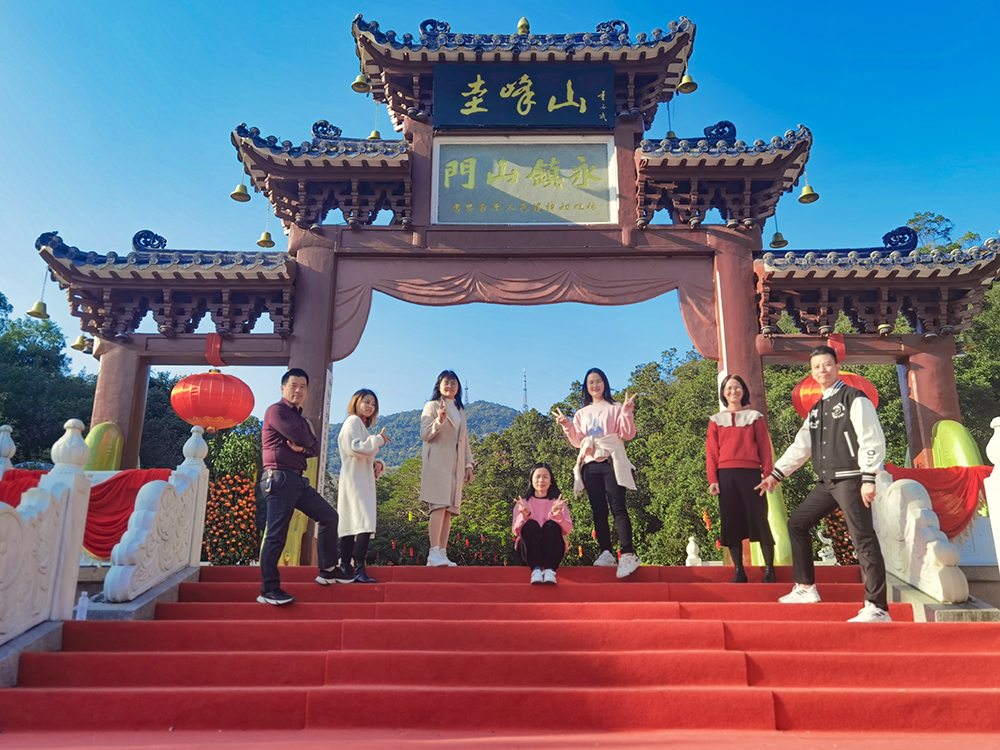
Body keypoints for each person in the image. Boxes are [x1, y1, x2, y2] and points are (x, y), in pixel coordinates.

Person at [755, 345, 891, 623]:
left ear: (837, 367)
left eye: (827, 364)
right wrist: (776, 474)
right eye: (816, 366)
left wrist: (869, 477)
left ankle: (877, 607)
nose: (822, 370)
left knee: (862, 538)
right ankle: (806, 588)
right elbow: (801, 446)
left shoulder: (855, 398)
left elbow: (871, 438)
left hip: (852, 478)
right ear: (811, 372)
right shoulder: (816, 410)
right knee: (797, 524)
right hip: (827, 482)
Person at [258, 368, 352, 605]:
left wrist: (303, 445)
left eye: (303, 387)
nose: (298, 390)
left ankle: (328, 569)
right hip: (278, 478)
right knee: (277, 533)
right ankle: (269, 589)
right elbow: (304, 440)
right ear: (283, 388)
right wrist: (304, 443)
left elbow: (314, 448)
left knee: (328, 516)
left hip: (298, 481)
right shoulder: (275, 411)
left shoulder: (301, 420)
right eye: (293, 385)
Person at [552, 367, 641, 578]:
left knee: (618, 507)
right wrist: (567, 424)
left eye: (598, 381)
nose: (595, 385)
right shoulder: (581, 413)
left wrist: (627, 412)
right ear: (586, 387)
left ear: (605, 383)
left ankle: (628, 553)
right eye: (591, 382)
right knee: (598, 510)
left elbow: (628, 434)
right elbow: (578, 442)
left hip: (612, 461)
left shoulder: (616, 407)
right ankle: (606, 552)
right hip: (590, 465)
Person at [706, 374, 776, 584]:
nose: (733, 391)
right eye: (729, 388)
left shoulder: (755, 417)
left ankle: (770, 569)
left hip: (752, 474)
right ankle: (739, 571)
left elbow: (765, 447)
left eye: (737, 387)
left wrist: (768, 475)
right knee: (731, 522)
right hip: (726, 475)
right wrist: (713, 479)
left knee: (759, 519)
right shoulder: (715, 420)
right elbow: (711, 453)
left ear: (743, 390)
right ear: (723, 392)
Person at [420, 370, 474, 567]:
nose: (450, 386)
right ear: (439, 385)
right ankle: (433, 552)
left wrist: (468, 464)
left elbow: (464, 439)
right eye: (446, 382)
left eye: (453, 383)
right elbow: (425, 434)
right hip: (437, 463)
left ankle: (442, 553)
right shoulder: (432, 406)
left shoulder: (460, 410)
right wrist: (439, 420)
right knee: (438, 505)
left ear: (458, 387)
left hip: (456, 465)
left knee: (450, 510)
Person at [337, 389, 390, 584]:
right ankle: (358, 568)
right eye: (366, 402)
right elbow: (356, 448)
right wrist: (378, 440)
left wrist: (376, 463)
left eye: (373, 404)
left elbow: (361, 452)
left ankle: (346, 566)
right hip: (356, 481)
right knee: (364, 523)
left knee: (352, 523)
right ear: (356, 402)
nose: (370, 406)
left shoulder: (360, 425)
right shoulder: (353, 421)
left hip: (357, 478)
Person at [512, 463, 573, 585]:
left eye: (545, 477)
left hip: (553, 550)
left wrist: (557, 515)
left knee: (551, 525)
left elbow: (568, 529)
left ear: (550, 481)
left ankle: (550, 570)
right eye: (538, 477)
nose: (541, 480)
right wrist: (525, 515)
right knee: (531, 525)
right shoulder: (523, 503)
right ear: (531, 480)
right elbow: (516, 531)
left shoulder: (558, 503)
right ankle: (536, 570)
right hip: (528, 550)